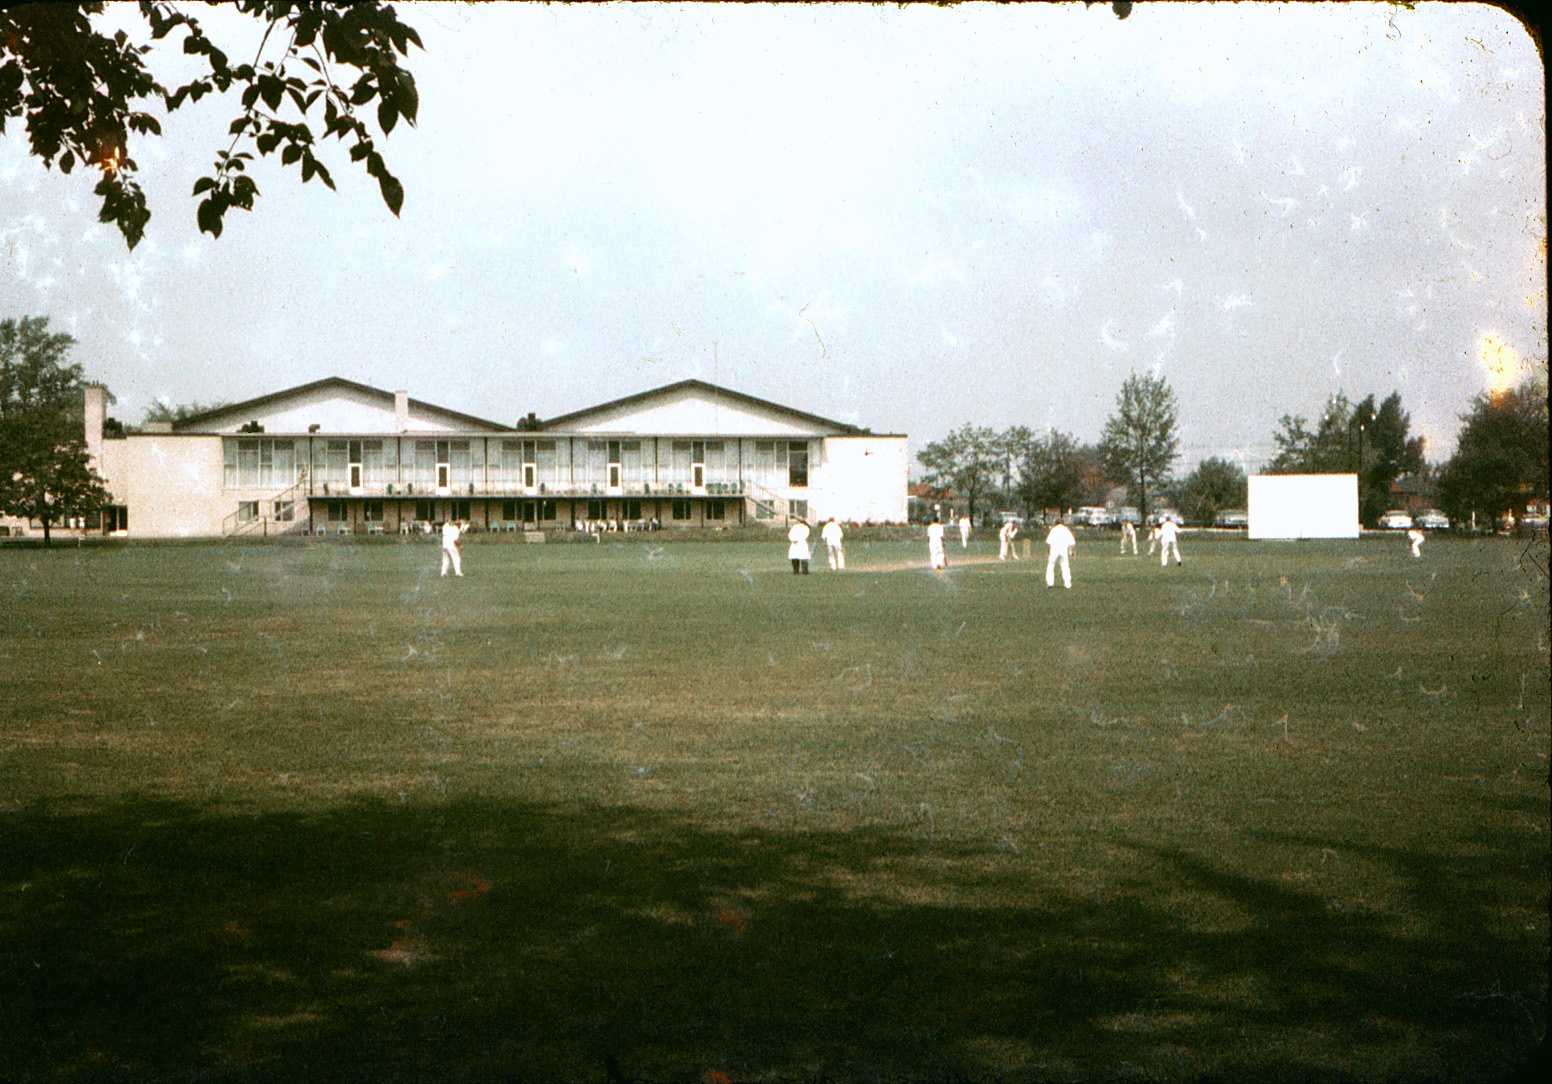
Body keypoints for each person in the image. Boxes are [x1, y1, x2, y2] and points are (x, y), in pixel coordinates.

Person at [1046, 520, 1076, 589]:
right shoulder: (1066, 530)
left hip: (1054, 550)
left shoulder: (1053, 530)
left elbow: (1048, 542)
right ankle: (1067, 584)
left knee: (1051, 565)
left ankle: (1050, 583)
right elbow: (1072, 543)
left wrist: (1048, 550)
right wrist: (1072, 552)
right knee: (1065, 566)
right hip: (1063, 550)